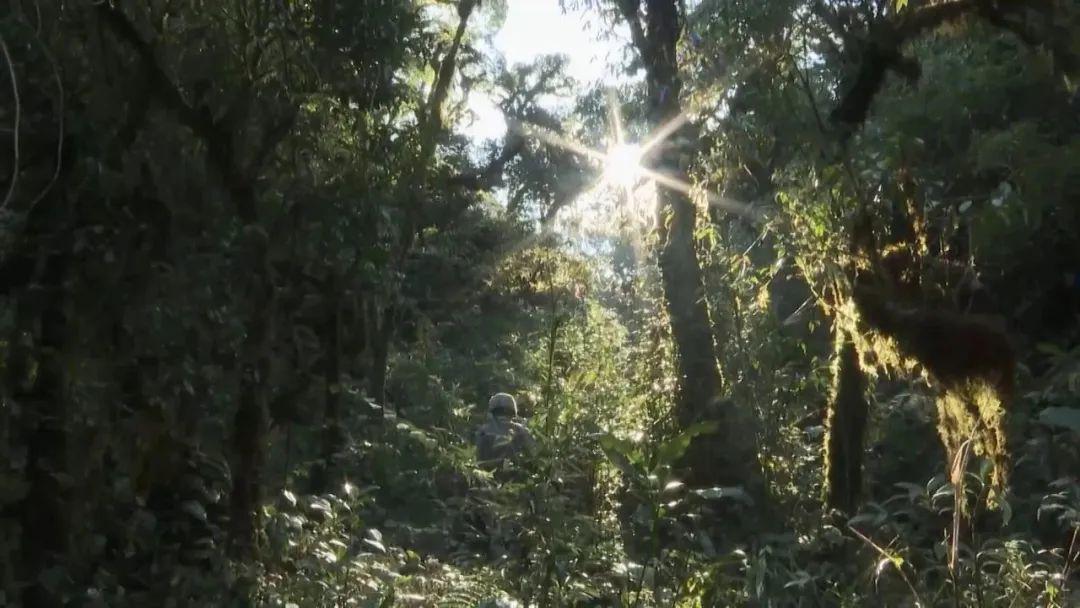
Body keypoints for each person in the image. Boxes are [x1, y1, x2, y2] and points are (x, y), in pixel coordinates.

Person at [474, 392, 535, 470]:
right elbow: (534, 456)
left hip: (489, 476)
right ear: (513, 412)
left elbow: (479, 460)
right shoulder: (521, 430)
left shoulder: (483, 431)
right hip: (517, 476)